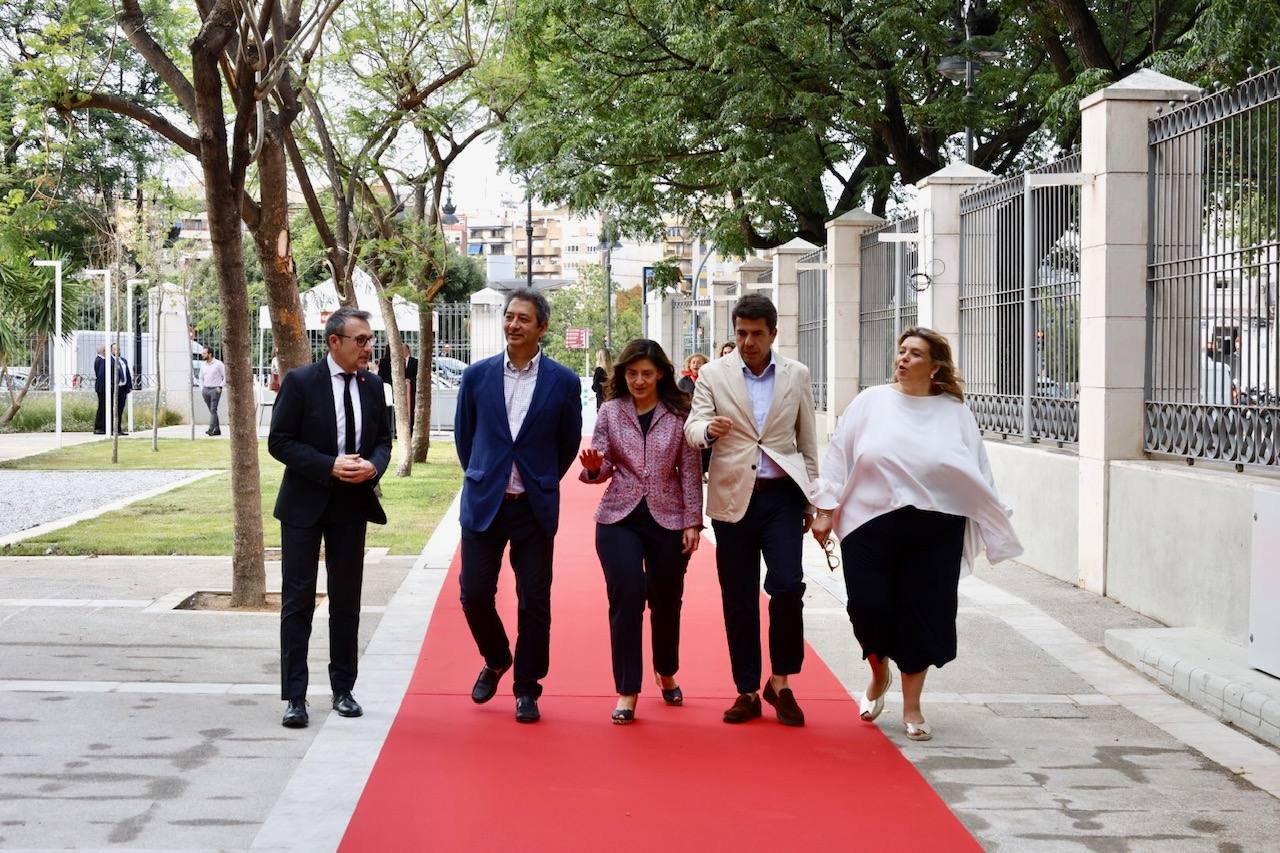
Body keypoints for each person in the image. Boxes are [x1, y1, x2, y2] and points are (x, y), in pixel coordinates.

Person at [809, 327, 1022, 742]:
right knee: (868, 608)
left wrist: (992, 514)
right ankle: (877, 672)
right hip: (870, 523)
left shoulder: (955, 412)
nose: (903, 359)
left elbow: (977, 469)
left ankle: (912, 705)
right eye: (901, 351)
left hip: (936, 527)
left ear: (935, 365)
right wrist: (825, 509)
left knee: (923, 615)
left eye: (915, 354)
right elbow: (839, 456)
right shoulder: (871, 402)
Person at [685, 293, 819, 727]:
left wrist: (815, 504)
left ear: (773, 334)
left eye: (756, 334)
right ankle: (746, 689)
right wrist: (708, 430)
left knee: (786, 585)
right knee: (738, 597)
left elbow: (808, 442)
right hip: (732, 497)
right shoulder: (711, 374)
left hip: (781, 496)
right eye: (741, 333)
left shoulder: (796, 375)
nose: (747, 342)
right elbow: (691, 428)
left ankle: (780, 682)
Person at [454, 288, 584, 723]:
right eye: (509, 316)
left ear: (541, 327)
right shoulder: (476, 377)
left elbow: (567, 443)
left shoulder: (563, 382)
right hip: (484, 502)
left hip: (533, 506)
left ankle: (527, 687)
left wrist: (540, 479)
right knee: (474, 594)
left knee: (534, 601)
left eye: (523, 318)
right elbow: (465, 439)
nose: (513, 324)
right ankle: (496, 658)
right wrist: (484, 475)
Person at [268, 307, 393, 729]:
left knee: (346, 602)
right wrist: (328, 465)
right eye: (360, 340)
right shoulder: (301, 382)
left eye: (370, 339)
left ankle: (343, 689)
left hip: (351, 507)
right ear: (334, 342)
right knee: (297, 602)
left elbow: (383, 441)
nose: (368, 347)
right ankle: (296, 698)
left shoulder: (374, 386)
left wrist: (373, 466)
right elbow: (279, 441)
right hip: (304, 505)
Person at [579, 339, 702, 724]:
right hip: (619, 517)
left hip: (668, 516)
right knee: (627, 596)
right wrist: (596, 466)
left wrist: (693, 522)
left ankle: (665, 670)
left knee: (667, 601)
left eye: (646, 374)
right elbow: (599, 469)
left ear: (661, 373)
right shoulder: (611, 413)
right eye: (632, 374)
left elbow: (690, 473)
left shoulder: (680, 413)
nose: (638, 380)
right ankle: (627, 689)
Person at [376, 348, 419, 438]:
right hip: (392, 389)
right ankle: (393, 429)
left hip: (407, 390)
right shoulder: (388, 361)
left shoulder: (413, 361)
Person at [198, 347, 226, 436]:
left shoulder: (218, 364)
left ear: (210, 354)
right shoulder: (203, 365)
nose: (202, 355)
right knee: (212, 410)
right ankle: (217, 430)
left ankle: (211, 429)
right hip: (205, 390)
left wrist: (220, 386)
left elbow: (226, 376)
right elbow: (201, 378)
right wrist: (202, 388)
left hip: (215, 390)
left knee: (213, 409)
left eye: (204, 353)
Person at [92, 345, 107, 434]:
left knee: (103, 407)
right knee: (102, 407)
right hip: (102, 387)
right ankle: (99, 427)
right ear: (104, 351)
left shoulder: (100, 360)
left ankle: (102, 426)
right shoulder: (100, 361)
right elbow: (101, 375)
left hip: (101, 387)